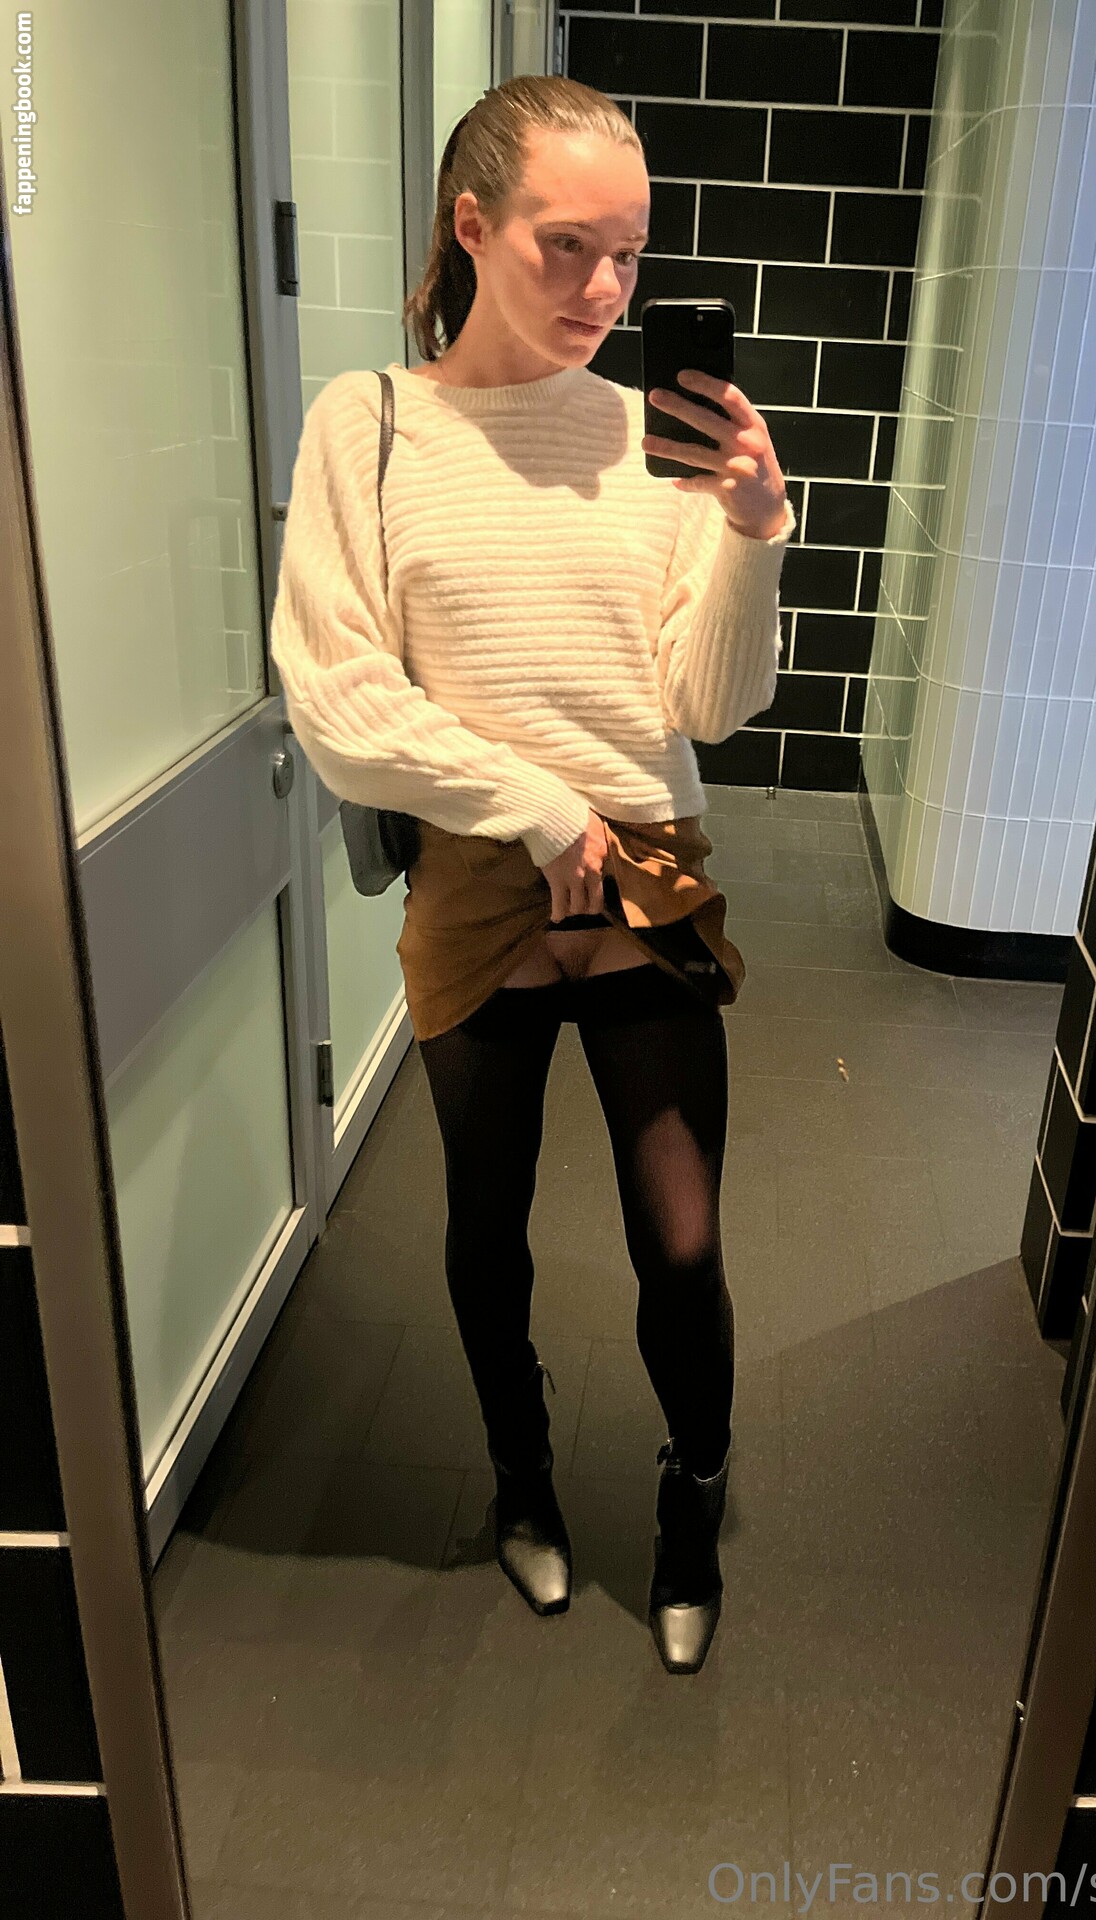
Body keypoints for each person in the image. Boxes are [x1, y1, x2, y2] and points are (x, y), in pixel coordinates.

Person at [267, 73, 795, 1675]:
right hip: (482, 889)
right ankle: (522, 1483)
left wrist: (754, 532)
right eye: (569, 245)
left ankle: (694, 1496)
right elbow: (339, 699)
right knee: (486, 1235)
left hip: (647, 878)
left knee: (683, 1240)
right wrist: (536, 807)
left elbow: (708, 706)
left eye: (631, 254)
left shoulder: (654, 438)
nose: (607, 289)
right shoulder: (367, 427)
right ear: (474, 223)